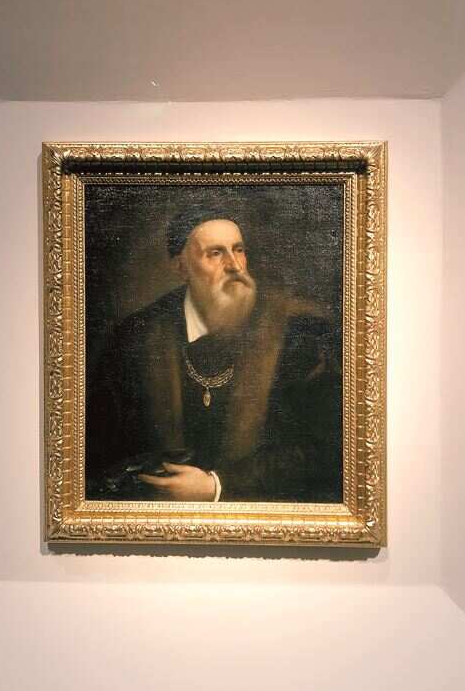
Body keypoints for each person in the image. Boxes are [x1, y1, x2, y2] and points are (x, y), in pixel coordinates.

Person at [85, 206, 342, 503]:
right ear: (181, 268)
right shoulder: (136, 336)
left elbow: (326, 449)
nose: (234, 266)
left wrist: (216, 486)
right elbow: (100, 452)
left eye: (239, 250)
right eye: (215, 253)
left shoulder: (300, 333)